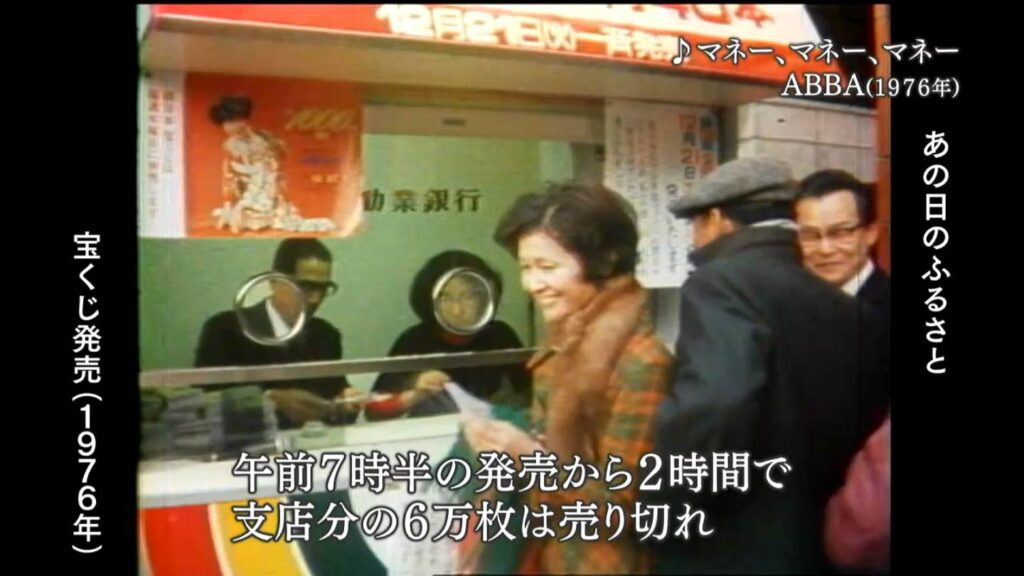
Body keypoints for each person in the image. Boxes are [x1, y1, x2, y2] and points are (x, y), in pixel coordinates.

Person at [651, 157, 890, 573]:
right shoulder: (839, 304)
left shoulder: (721, 282)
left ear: (716, 219)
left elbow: (715, 403)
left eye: (695, 225)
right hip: (816, 545)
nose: (695, 239)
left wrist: (668, 510)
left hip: (734, 549)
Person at [462, 183, 674, 574]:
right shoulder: (567, 339)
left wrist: (527, 457)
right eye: (525, 267)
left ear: (603, 263)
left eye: (547, 268)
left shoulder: (642, 362)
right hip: (554, 554)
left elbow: (622, 507)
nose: (531, 284)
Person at [195, 238, 361, 429]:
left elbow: (336, 398)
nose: (315, 299)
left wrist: (345, 403)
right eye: (306, 286)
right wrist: (268, 401)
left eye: (323, 288)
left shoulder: (326, 335)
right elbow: (201, 406)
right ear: (274, 281)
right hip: (251, 444)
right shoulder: (226, 329)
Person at [366, 250, 530, 421]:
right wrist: (415, 389)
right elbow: (373, 412)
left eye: (468, 296)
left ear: (485, 298)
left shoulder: (500, 335)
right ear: (429, 300)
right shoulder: (413, 341)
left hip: (488, 430)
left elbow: (531, 394)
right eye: (445, 297)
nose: (457, 310)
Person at [795, 169, 890, 318]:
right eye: (810, 235)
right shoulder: (787, 307)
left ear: (870, 233)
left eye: (840, 233)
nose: (825, 249)